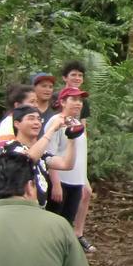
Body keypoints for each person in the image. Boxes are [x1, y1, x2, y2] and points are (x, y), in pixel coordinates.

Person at [0, 105, 75, 206]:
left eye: (39, 119)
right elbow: (28, 159)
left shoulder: (41, 153)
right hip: (19, 209)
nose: (37, 122)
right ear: (17, 124)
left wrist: (72, 137)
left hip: (38, 210)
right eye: (31, 118)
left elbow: (66, 164)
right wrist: (52, 129)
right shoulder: (11, 148)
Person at [57, 61, 96, 253]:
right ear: (65, 77)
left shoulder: (82, 101)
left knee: (86, 192)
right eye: (73, 75)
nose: (77, 79)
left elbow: (83, 131)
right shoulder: (59, 100)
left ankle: (77, 234)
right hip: (60, 158)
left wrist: (83, 168)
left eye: (80, 76)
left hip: (77, 157)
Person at [46, 87, 89, 240]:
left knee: (66, 223)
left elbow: (81, 155)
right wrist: (55, 183)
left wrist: (83, 181)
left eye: (80, 100)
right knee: (54, 224)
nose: (78, 103)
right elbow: (49, 155)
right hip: (61, 181)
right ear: (62, 102)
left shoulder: (76, 123)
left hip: (76, 182)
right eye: (74, 99)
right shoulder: (56, 122)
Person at [0, 84, 37, 155]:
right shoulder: (8, 125)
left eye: (36, 102)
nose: (36, 105)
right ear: (17, 105)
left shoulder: (12, 121)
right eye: (32, 102)